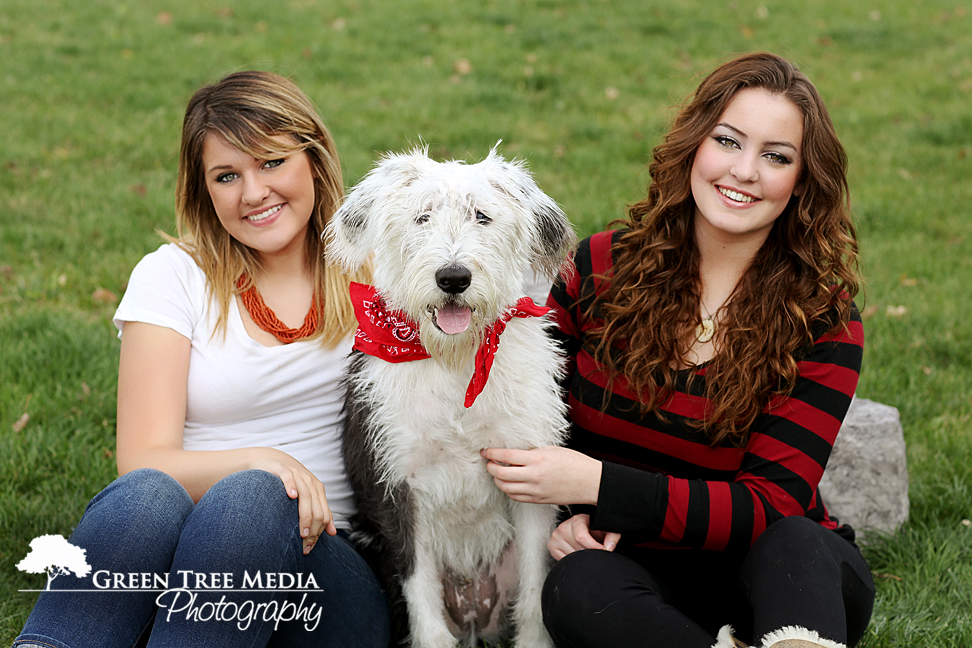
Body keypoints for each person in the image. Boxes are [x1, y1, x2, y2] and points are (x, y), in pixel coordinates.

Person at [481, 52, 874, 648]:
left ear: (800, 183)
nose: (744, 171)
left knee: (796, 539)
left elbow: (769, 505)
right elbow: (529, 416)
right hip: (630, 567)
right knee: (576, 586)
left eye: (776, 156)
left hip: (775, 576)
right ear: (694, 144)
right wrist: (563, 519)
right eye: (728, 140)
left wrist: (598, 485)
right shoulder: (599, 270)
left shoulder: (822, 317)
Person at [14, 71, 390, 648]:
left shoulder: (376, 267)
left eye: (271, 162)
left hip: (327, 574)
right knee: (147, 493)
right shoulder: (173, 276)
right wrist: (262, 460)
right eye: (227, 175)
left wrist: (264, 479)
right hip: (184, 554)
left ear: (313, 158)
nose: (253, 193)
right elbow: (142, 458)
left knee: (258, 497)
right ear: (205, 190)